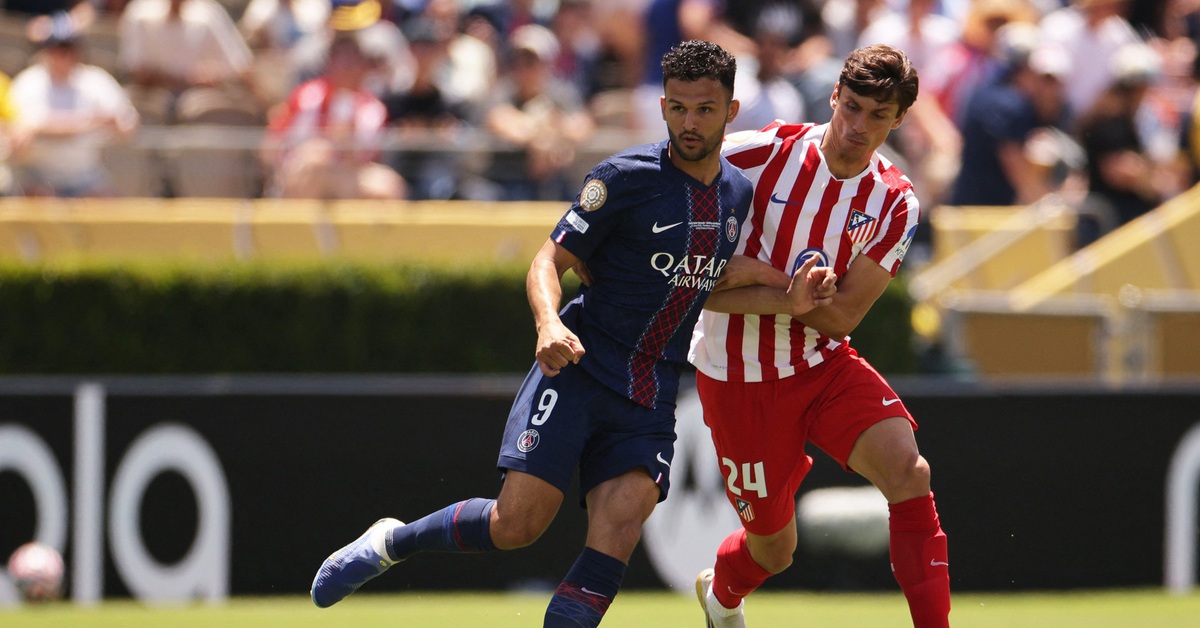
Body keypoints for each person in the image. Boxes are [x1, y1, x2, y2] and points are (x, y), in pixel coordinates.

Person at [309, 39, 833, 627]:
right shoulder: (623, 178)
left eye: (705, 109)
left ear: (731, 112)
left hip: (651, 391)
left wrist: (785, 293)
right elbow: (546, 260)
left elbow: (706, 277)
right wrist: (548, 323)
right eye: (678, 108)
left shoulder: (737, 193)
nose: (690, 122)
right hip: (581, 365)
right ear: (662, 106)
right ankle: (390, 542)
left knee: (622, 520)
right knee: (517, 527)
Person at [689, 44, 950, 628]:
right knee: (774, 551)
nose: (858, 127)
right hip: (739, 376)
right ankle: (722, 594)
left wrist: (779, 295)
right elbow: (684, 277)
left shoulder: (895, 202)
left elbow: (843, 317)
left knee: (910, 474)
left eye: (877, 116)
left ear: (899, 119)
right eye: (851, 107)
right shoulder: (756, 155)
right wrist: (783, 287)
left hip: (822, 362)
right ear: (833, 97)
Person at [261, 31, 405, 200]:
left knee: (387, 185)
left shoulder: (373, 107)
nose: (347, 65)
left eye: (353, 59)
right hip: (301, 171)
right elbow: (273, 141)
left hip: (350, 173)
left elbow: (370, 156)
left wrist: (347, 144)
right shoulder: (306, 95)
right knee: (317, 161)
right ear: (329, 62)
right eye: (341, 58)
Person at [8, 13, 140, 198]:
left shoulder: (96, 80)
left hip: (86, 177)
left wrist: (117, 124)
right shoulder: (28, 83)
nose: (65, 55)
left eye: (70, 47)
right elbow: (22, 132)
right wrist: (90, 122)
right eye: (59, 48)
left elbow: (128, 125)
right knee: (33, 196)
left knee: (108, 202)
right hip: (39, 178)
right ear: (47, 50)